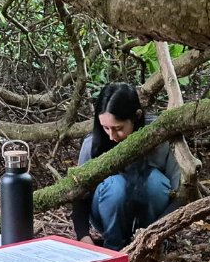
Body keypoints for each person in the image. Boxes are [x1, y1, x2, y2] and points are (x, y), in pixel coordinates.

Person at [71, 83, 181, 251]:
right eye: (105, 127)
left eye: (118, 128)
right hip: (109, 212)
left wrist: (158, 231)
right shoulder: (93, 143)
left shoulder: (162, 137)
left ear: (137, 116)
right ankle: (114, 247)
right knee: (115, 186)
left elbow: (180, 193)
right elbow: (79, 195)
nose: (111, 136)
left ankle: (152, 246)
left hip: (154, 218)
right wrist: (83, 236)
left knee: (154, 181)